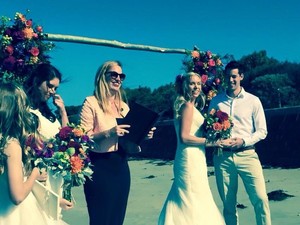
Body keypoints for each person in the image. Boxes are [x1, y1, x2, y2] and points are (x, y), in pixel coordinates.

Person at [80, 60, 155, 225]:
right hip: (98, 166)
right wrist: (109, 133)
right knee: (100, 218)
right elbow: (83, 138)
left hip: (120, 165)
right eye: (114, 74)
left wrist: (144, 135)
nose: (118, 78)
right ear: (103, 77)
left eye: (121, 76)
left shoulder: (124, 107)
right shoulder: (91, 102)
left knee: (117, 217)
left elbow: (130, 140)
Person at [208, 61, 271, 225]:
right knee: (228, 206)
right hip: (223, 159)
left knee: (260, 199)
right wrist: (217, 138)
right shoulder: (216, 101)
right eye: (228, 76)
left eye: (234, 76)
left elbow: (262, 131)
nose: (231, 80)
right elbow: (208, 127)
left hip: (248, 155)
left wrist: (243, 141)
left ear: (241, 77)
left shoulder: (253, 101)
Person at [158, 72, 225, 225]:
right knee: (191, 197)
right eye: (192, 83)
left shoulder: (189, 106)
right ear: (184, 86)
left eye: (198, 84)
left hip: (195, 156)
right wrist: (211, 142)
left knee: (194, 196)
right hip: (189, 157)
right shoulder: (187, 106)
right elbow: (184, 137)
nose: (196, 87)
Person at [0, 82, 67, 225]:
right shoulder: (11, 145)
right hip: (14, 215)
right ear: (16, 111)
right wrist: (34, 174)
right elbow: (17, 196)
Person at [23, 63, 73, 214]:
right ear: (37, 81)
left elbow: (66, 138)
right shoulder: (26, 110)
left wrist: (63, 112)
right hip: (39, 176)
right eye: (50, 86)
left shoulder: (48, 113)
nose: (52, 91)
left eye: (55, 88)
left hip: (54, 175)